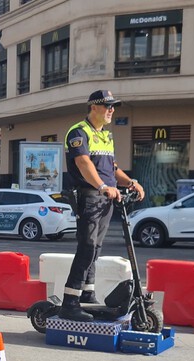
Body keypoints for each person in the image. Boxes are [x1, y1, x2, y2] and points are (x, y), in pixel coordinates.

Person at [59, 89, 144, 321]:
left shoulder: (106, 135)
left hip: (106, 198)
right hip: (89, 196)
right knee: (86, 247)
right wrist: (101, 186)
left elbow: (113, 169)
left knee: (95, 249)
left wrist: (132, 182)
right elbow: (84, 163)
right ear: (93, 107)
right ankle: (70, 302)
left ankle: (87, 295)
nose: (111, 110)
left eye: (113, 106)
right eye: (107, 106)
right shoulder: (79, 132)